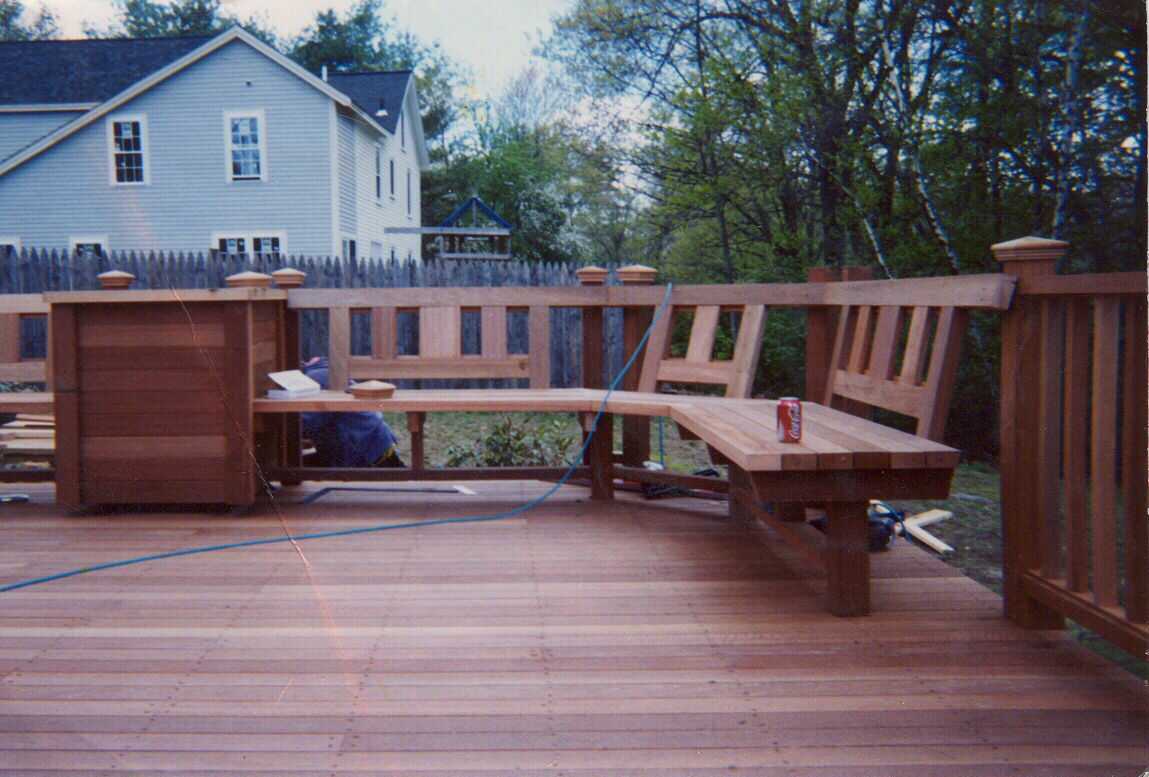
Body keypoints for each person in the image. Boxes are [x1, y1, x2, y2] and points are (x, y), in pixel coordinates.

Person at [300, 357, 405, 468]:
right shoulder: (324, 371)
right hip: (376, 443)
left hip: (365, 451)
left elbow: (306, 423)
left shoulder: (313, 378)